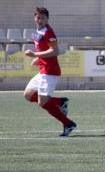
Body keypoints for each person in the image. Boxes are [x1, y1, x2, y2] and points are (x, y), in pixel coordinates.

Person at [24, 7, 76, 137]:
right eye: (38, 17)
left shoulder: (48, 32)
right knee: (28, 95)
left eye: (43, 18)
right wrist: (38, 59)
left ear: (47, 19)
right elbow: (46, 49)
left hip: (50, 72)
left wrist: (35, 54)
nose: (40, 20)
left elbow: (55, 51)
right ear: (34, 18)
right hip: (43, 70)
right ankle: (60, 102)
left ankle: (68, 124)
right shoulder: (38, 30)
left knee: (43, 102)